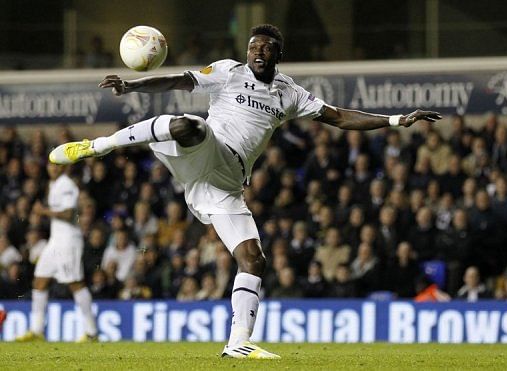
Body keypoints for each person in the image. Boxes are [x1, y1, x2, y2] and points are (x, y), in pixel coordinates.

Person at [48, 24, 441, 358]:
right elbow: (180, 80)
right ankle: (96, 146)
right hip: (208, 148)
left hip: (226, 181)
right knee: (191, 126)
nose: (258, 51)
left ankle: (239, 344)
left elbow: (338, 117)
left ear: (277, 54)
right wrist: (133, 85)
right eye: (254, 46)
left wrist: (396, 119)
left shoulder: (290, 93)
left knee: (254, 259)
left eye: (266, 47)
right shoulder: (227, 72)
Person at [16, 163, 98, 342]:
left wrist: (43, 211)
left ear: (64, 167)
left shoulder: (67, 184)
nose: (53, 168)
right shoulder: (53, 185)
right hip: (55, 241)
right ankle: (37, 330)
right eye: (50, 165)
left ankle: (91, 332)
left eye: (57, 165)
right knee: (39, 280)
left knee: (75, 283)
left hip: (68, 241)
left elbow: (69, 214)